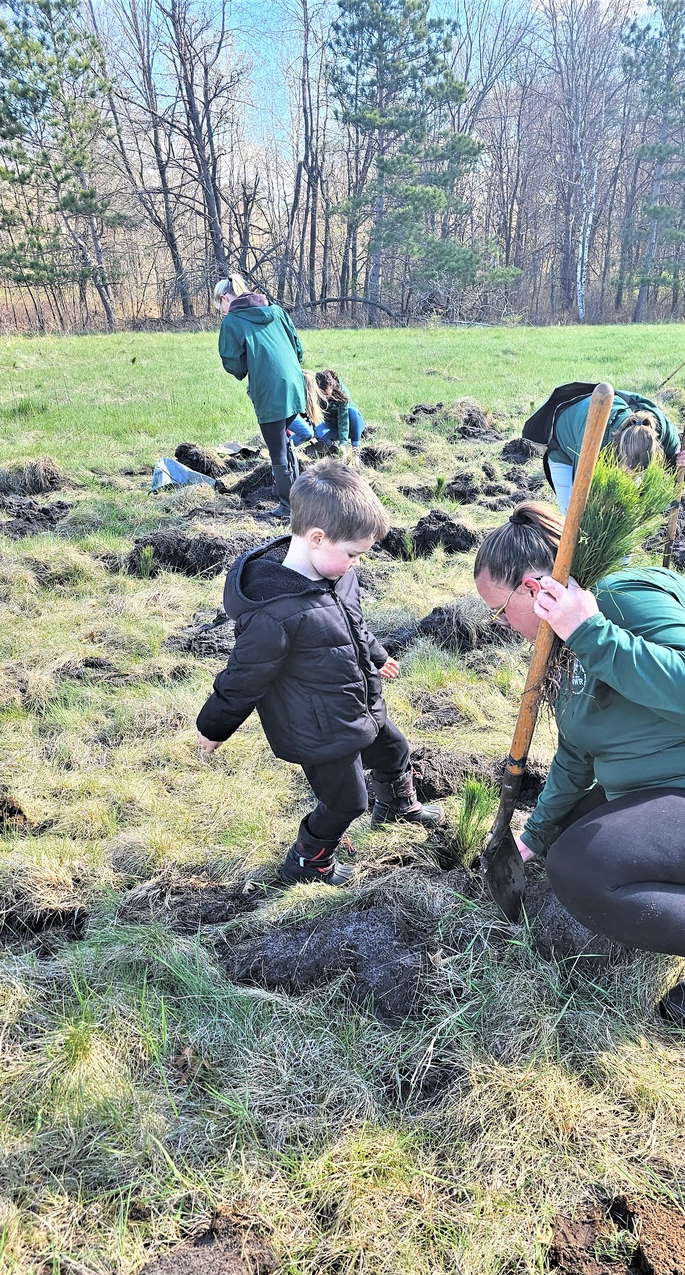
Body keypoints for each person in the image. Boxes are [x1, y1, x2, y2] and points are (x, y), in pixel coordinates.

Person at [473, 503, 685, 1025]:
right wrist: (535, 838)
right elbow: (577, 750)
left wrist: (589, 630)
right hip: (682, 776)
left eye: (498, 610)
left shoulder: (621, 595)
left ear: (530, 587)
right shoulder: (561, 641)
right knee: (566, 837)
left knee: (583, 868)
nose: (501, 625)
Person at [196, 461, 442, 886]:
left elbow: (353, 624)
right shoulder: (274, 613)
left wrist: (378, 655)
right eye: (352, 554)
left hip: (358, 701)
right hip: (317, 727)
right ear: (316, 538)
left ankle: (397, 806)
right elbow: (245, 675)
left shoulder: (337, 575)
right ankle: (308, 861)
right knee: (346, 801)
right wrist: (214, 726)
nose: (355, 564)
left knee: (393, 750)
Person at [523, 383, 685, 516]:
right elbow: (582, 499)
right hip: (565, 444)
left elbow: (678, 473)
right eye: (628, 473)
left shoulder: (662, 432)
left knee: (626, 512)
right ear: (616, 452)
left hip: (601, 437)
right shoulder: (594, 443)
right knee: (571, 515)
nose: (631, 479)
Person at [215, 274, 306, 519]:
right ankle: (296, 496)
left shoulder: (232, 321)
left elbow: (234, 365)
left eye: (220, 306)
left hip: (270, 390)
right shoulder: (276, 311)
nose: (222, 311)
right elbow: (298, 348)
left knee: (276, 450)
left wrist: (249, 364)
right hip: (296, 386)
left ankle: (289, 508)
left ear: (225, 298)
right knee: (284, 441)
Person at [314, 370, 366, 463]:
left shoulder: (342, 394)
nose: (324, 397)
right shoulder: (314, 393)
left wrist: (343, 443)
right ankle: (332, 447)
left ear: (332, 387)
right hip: (331, 423)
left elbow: (343, 420)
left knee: (352, 412)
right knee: (318, 431)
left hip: (350, 423)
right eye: (321, 393)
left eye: (326, 394)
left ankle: (356, 448)